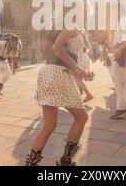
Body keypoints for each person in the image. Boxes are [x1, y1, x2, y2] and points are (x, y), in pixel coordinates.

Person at [25, 27, 93, 166]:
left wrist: (82, 73)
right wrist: (78, 68)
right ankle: (66, 160)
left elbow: (61, 57)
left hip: (49, 72)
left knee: (49, 125)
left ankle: (31, 163)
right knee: (81, 117)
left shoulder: (62, 27)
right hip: (59, 75)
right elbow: (57, 48)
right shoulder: (71, 27)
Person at [76, 32, 94, 103]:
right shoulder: (84, 40)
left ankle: (88, 94)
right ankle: (80, 94)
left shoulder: (77, 39)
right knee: (77, 79)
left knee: (77, 79)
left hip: (79, 61)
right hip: (85, 60)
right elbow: (88, 47)